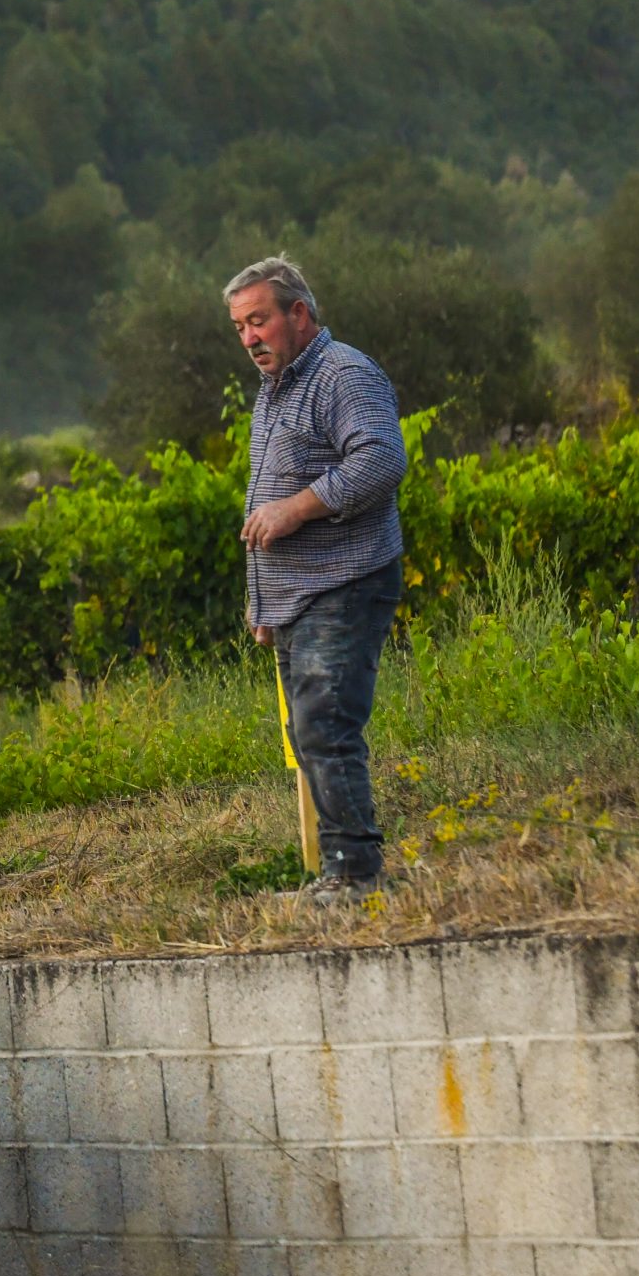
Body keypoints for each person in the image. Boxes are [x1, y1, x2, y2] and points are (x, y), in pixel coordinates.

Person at [225, 255, 411, 899]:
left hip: (348, 581)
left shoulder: (343, 374)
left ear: (298, 314)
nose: (249, 338)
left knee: (326, 726)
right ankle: (339, 871)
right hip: (296, 599)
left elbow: (382, 461)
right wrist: (264, 605)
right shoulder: (276, 390)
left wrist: (296, 507)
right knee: (309, 730)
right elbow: (263, 505)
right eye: (240, 327)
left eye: (259, 321)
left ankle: (356, 875)